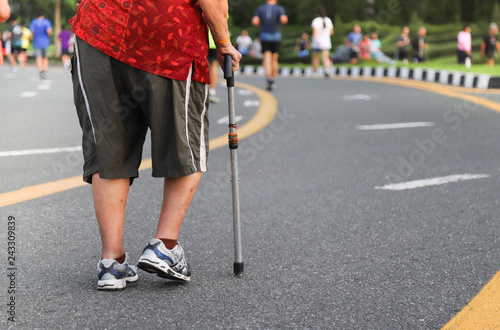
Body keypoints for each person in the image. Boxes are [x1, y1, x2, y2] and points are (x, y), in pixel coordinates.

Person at [69, 0, 241, 290]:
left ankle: (112, 263)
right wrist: (223, 40)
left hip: (100, 30)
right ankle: (165, 244)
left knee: (108, 145)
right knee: (183, 140)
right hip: (169, 34)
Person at [252, 0, 288, 91]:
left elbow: (255, 21)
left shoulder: (260, 8)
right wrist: (279, 25)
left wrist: (263, 25)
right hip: (276, 36)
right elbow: (284, 19)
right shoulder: (279, 8)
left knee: (266, 56)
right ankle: (273, 79)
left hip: (264, 36)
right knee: (274, 58)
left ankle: (268, 76)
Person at [30, 10, 52, 79]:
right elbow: (49, 31)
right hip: (45, 42)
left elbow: (31, 32)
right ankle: (44, 70)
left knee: (38, 57)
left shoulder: (34, 22)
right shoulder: (47, 22)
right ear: (43, 15)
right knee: (45, 57)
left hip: (37, 42)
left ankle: (40, 71)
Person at [311, 8, 333, 77]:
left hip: (317, 42)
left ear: (317, 14)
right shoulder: (328, 20)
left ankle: (315, 73)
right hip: (326, 42)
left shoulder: (316, 20)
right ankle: (327, 70)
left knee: (315, 57)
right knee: (325, 57)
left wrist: (316, 40)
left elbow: (314, 32)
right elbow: (332, 32)